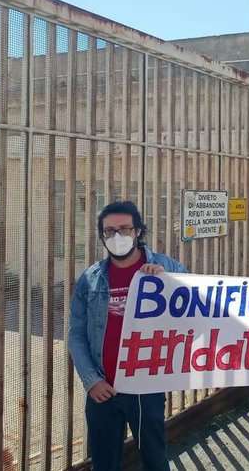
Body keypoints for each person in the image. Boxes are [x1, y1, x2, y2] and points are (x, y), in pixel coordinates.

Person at [69, 201, 187, 471]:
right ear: (102, 236)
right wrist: (91, 380)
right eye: (109, 231)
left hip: (145, 387)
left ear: (138, 231)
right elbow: (76, 334)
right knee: (104, 462)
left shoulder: (165, 266)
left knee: (155, 460)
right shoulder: (91, 279)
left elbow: (201, 305)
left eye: (124, 229)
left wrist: (169, 282)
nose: (117, 237)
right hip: (102, 389)